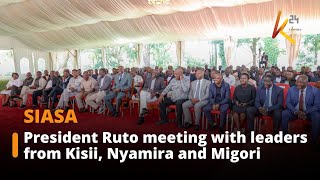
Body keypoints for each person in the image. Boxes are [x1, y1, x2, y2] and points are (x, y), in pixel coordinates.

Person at [282, 75, 320, 144]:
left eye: (301, 82)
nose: (298, 84)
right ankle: (285, 137)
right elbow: (288, 103)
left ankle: (314, 140)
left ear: (306, 83)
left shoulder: (315, 91)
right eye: (297, 82)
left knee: (317, 116)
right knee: (284, 113)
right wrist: (295, 111)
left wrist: (305, 112)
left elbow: (317, 106)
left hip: (308, 112)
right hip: (294, 111)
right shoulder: (291, 89)